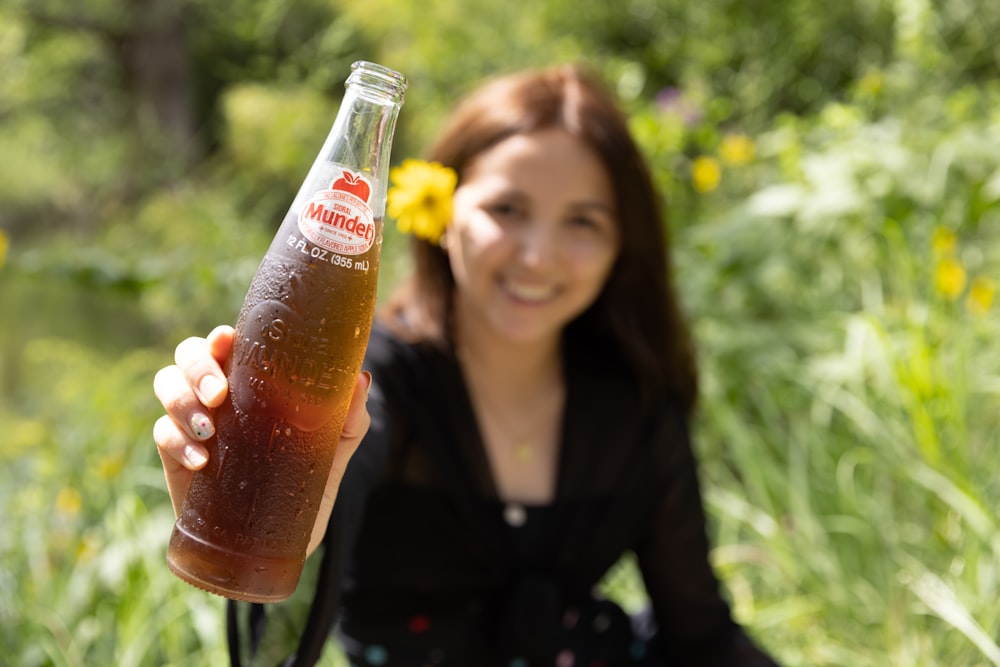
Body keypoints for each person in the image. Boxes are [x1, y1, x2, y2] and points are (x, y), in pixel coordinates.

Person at [153, 64, 781, 666]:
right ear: (442, 212)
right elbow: (281, 634)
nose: (537, 257)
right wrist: (281, 519)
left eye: (583, 222)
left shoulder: (633, 402)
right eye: (507, 210)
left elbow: (700, 635)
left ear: (623, 245)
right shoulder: (369, 383)